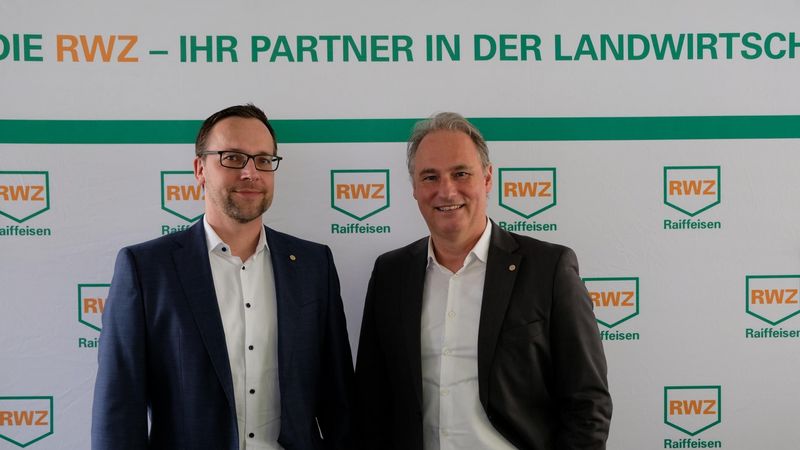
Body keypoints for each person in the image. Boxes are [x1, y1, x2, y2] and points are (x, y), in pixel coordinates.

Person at [92, 104, 353, 450]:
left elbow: (339, 403)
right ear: (200, 169)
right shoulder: (147, 269)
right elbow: (119, 410)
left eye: (263, 160)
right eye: (233, 158)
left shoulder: (313, 265)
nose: (250, 173)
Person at [355, 112, 611, 449]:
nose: (446, 190)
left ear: (487, 178)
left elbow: (587, 403)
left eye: (461, 173)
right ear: (414, 189)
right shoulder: (391, 274)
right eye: (430, 177)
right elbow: (371, 401)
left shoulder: (549, 269)